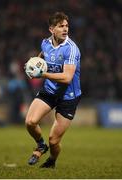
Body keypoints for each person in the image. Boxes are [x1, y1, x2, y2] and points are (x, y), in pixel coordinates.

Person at [25, 12, 81, 168]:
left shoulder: (71, 49)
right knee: (30, 122)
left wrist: (42, 74)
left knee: (54, 140)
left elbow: (67, 77)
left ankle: (52, 161)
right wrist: (35, 64)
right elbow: (43, 55)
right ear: (51, 29)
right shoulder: (45, 43)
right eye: (60, 26)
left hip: (68, 97)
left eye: (66, 26)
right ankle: (40, 145)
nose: (65, 29)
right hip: (50, 91)